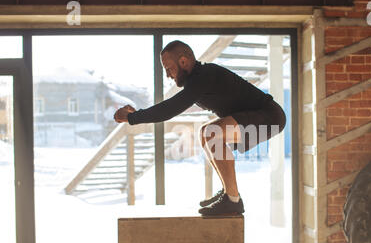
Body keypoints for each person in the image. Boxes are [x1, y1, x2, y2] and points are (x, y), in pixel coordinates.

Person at [114, 40, 286, 216]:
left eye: (169, 68)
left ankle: (232, 200)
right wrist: (136, 115)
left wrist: (132, 117)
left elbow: (170, 109)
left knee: (212, 132)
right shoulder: (197, 80)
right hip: (264, 117)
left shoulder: (203, 76)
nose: (168, 75)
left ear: (183, 61)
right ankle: (229, 193)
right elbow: (170, 106)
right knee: (205, 133)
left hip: (270, 116)